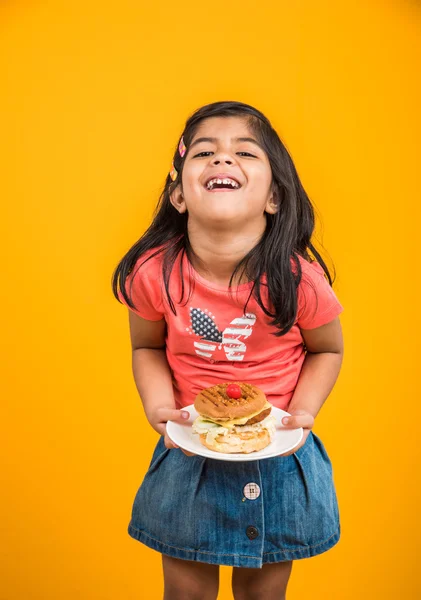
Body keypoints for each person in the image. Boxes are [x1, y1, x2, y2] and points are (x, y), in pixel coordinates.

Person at [112, 100, 344, 600]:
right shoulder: (155, 273)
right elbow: (145, 345)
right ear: (178, 194)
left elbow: (328, 350)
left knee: (262, 595)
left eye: (244, 152)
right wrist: (157, 407)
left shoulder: (297, 280)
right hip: (189, 456)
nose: (221, 160)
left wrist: (303, 410)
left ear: (275, 197)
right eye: (204, 152)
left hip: (278, 460)